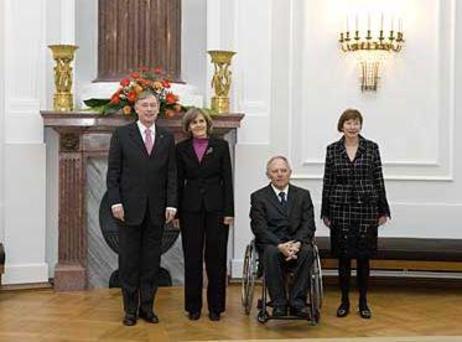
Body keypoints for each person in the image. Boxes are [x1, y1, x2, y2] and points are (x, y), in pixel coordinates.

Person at [106, 90, 177, 326]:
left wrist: (171, 203)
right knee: (128, 262)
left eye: (153, 105)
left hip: (157, 211)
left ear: (159, 109)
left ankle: (147, 307)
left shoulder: (167, 137)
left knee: (150, 263)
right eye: (144, 105)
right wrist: (115, 201)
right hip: (127, 210)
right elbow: (113, 172)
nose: (149, 109)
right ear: (135, 108)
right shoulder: (122, 134)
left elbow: (171, 174)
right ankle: (130, 310)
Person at [321, 108, 390, 319]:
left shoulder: (371, 148)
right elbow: (328, 181)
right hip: (340, 209)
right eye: (348, 123)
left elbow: (378, 178)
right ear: (341, 126)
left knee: (363, 259)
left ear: (360, 125)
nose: (352, 126)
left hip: (366, 209)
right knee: (343, 258)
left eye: (356, 122)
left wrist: (383, 208)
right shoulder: (332, 150)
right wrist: (325, 210)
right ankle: (344, 301)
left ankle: (363, 302)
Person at [174, 108, 234, 321]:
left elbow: (227, 181)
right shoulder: (180, 149)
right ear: (188, 127)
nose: (198, 125)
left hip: (217, 210)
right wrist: (177, 213)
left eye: (201, 121)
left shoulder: (221, 146)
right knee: (192, 258)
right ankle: (193, 307)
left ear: (207, 123)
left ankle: (216, 308)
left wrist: (229, 211)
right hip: (189, 210)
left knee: (216, 258)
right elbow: (177, 183)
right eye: (193, 122)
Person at [250, 156, 316, 318]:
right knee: (271, 252)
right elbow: (259, 227)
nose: (279, 174)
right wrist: (280, 245)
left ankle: (297, 303)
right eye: (275, 171)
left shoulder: (303, 195)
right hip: (272, 244)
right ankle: (278, 303)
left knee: (308, 251)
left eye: (283, 170)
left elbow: (309, 224)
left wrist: (298, 243)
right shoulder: (259, 197)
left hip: (297, 244)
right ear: (268, 175)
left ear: (290, 173)